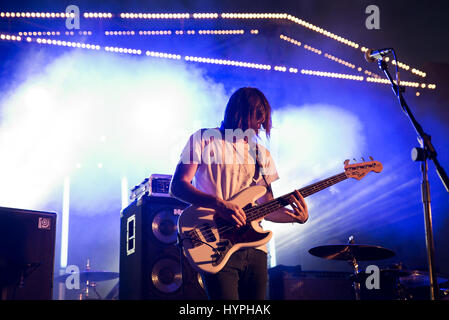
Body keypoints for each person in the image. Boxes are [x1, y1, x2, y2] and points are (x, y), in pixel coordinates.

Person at [170, 87, 308, 300]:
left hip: (256, 248)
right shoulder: (203, 139)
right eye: (255, 121)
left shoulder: (262, 154)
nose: (259, 127)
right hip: (216, 244)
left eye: (262, 123)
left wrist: (296, 217)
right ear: (238, 115)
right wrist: (219, 204)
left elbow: (266, 207)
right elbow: (178, 186)